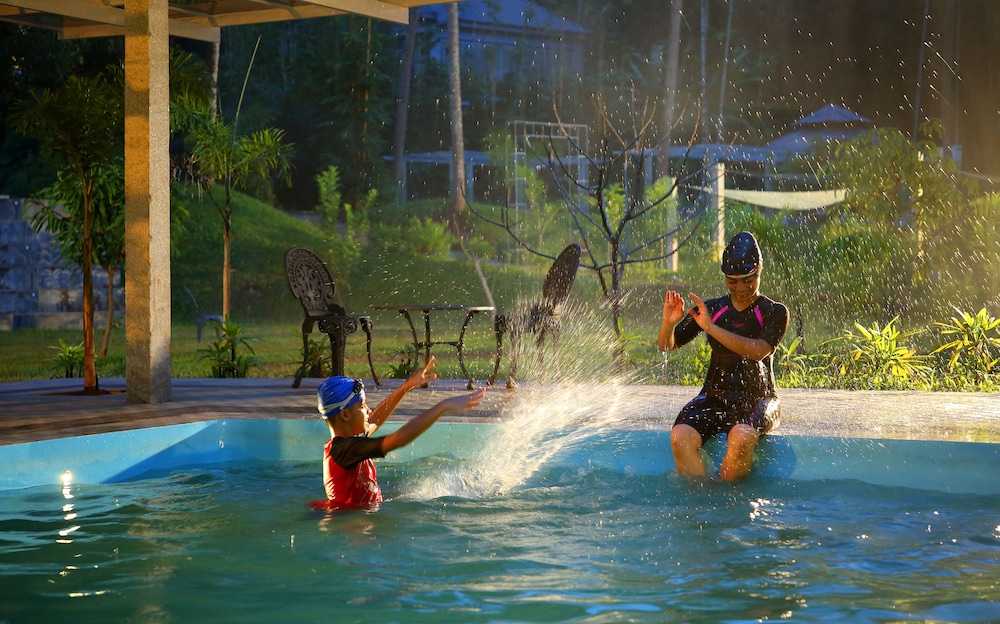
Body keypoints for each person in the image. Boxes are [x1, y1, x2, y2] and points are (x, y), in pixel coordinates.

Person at [658, 231, 788, 482]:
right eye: (733, 281)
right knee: (680, 436)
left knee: (741, 437)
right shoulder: (713, 309)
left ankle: (728, 498)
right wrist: (669, 323)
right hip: (715, 397)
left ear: (759, 270)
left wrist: (711, 328)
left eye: (748, 280)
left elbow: (759, 351)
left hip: (758, 399)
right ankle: (702, 497)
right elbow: (667, 346)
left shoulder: (774, 311)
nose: (741, 288)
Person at [311, 356, 486, 509]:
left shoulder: (348, 442)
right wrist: (443, 406)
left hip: (362, 515)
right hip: (352, 525)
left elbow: (374, 420)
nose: (369, 410)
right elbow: (399, 439)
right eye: (362, 406)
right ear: (345, 415)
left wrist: (406, 387)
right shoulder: (345, 450)